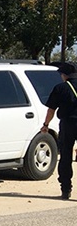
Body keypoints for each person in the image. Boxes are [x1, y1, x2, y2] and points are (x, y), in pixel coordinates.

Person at [42, 62, 77, 200]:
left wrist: (46, 125)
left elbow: (51, 109)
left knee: (66, 156)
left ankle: (66, 189)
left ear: (64, 75)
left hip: (68, 124)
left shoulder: (60, 88)